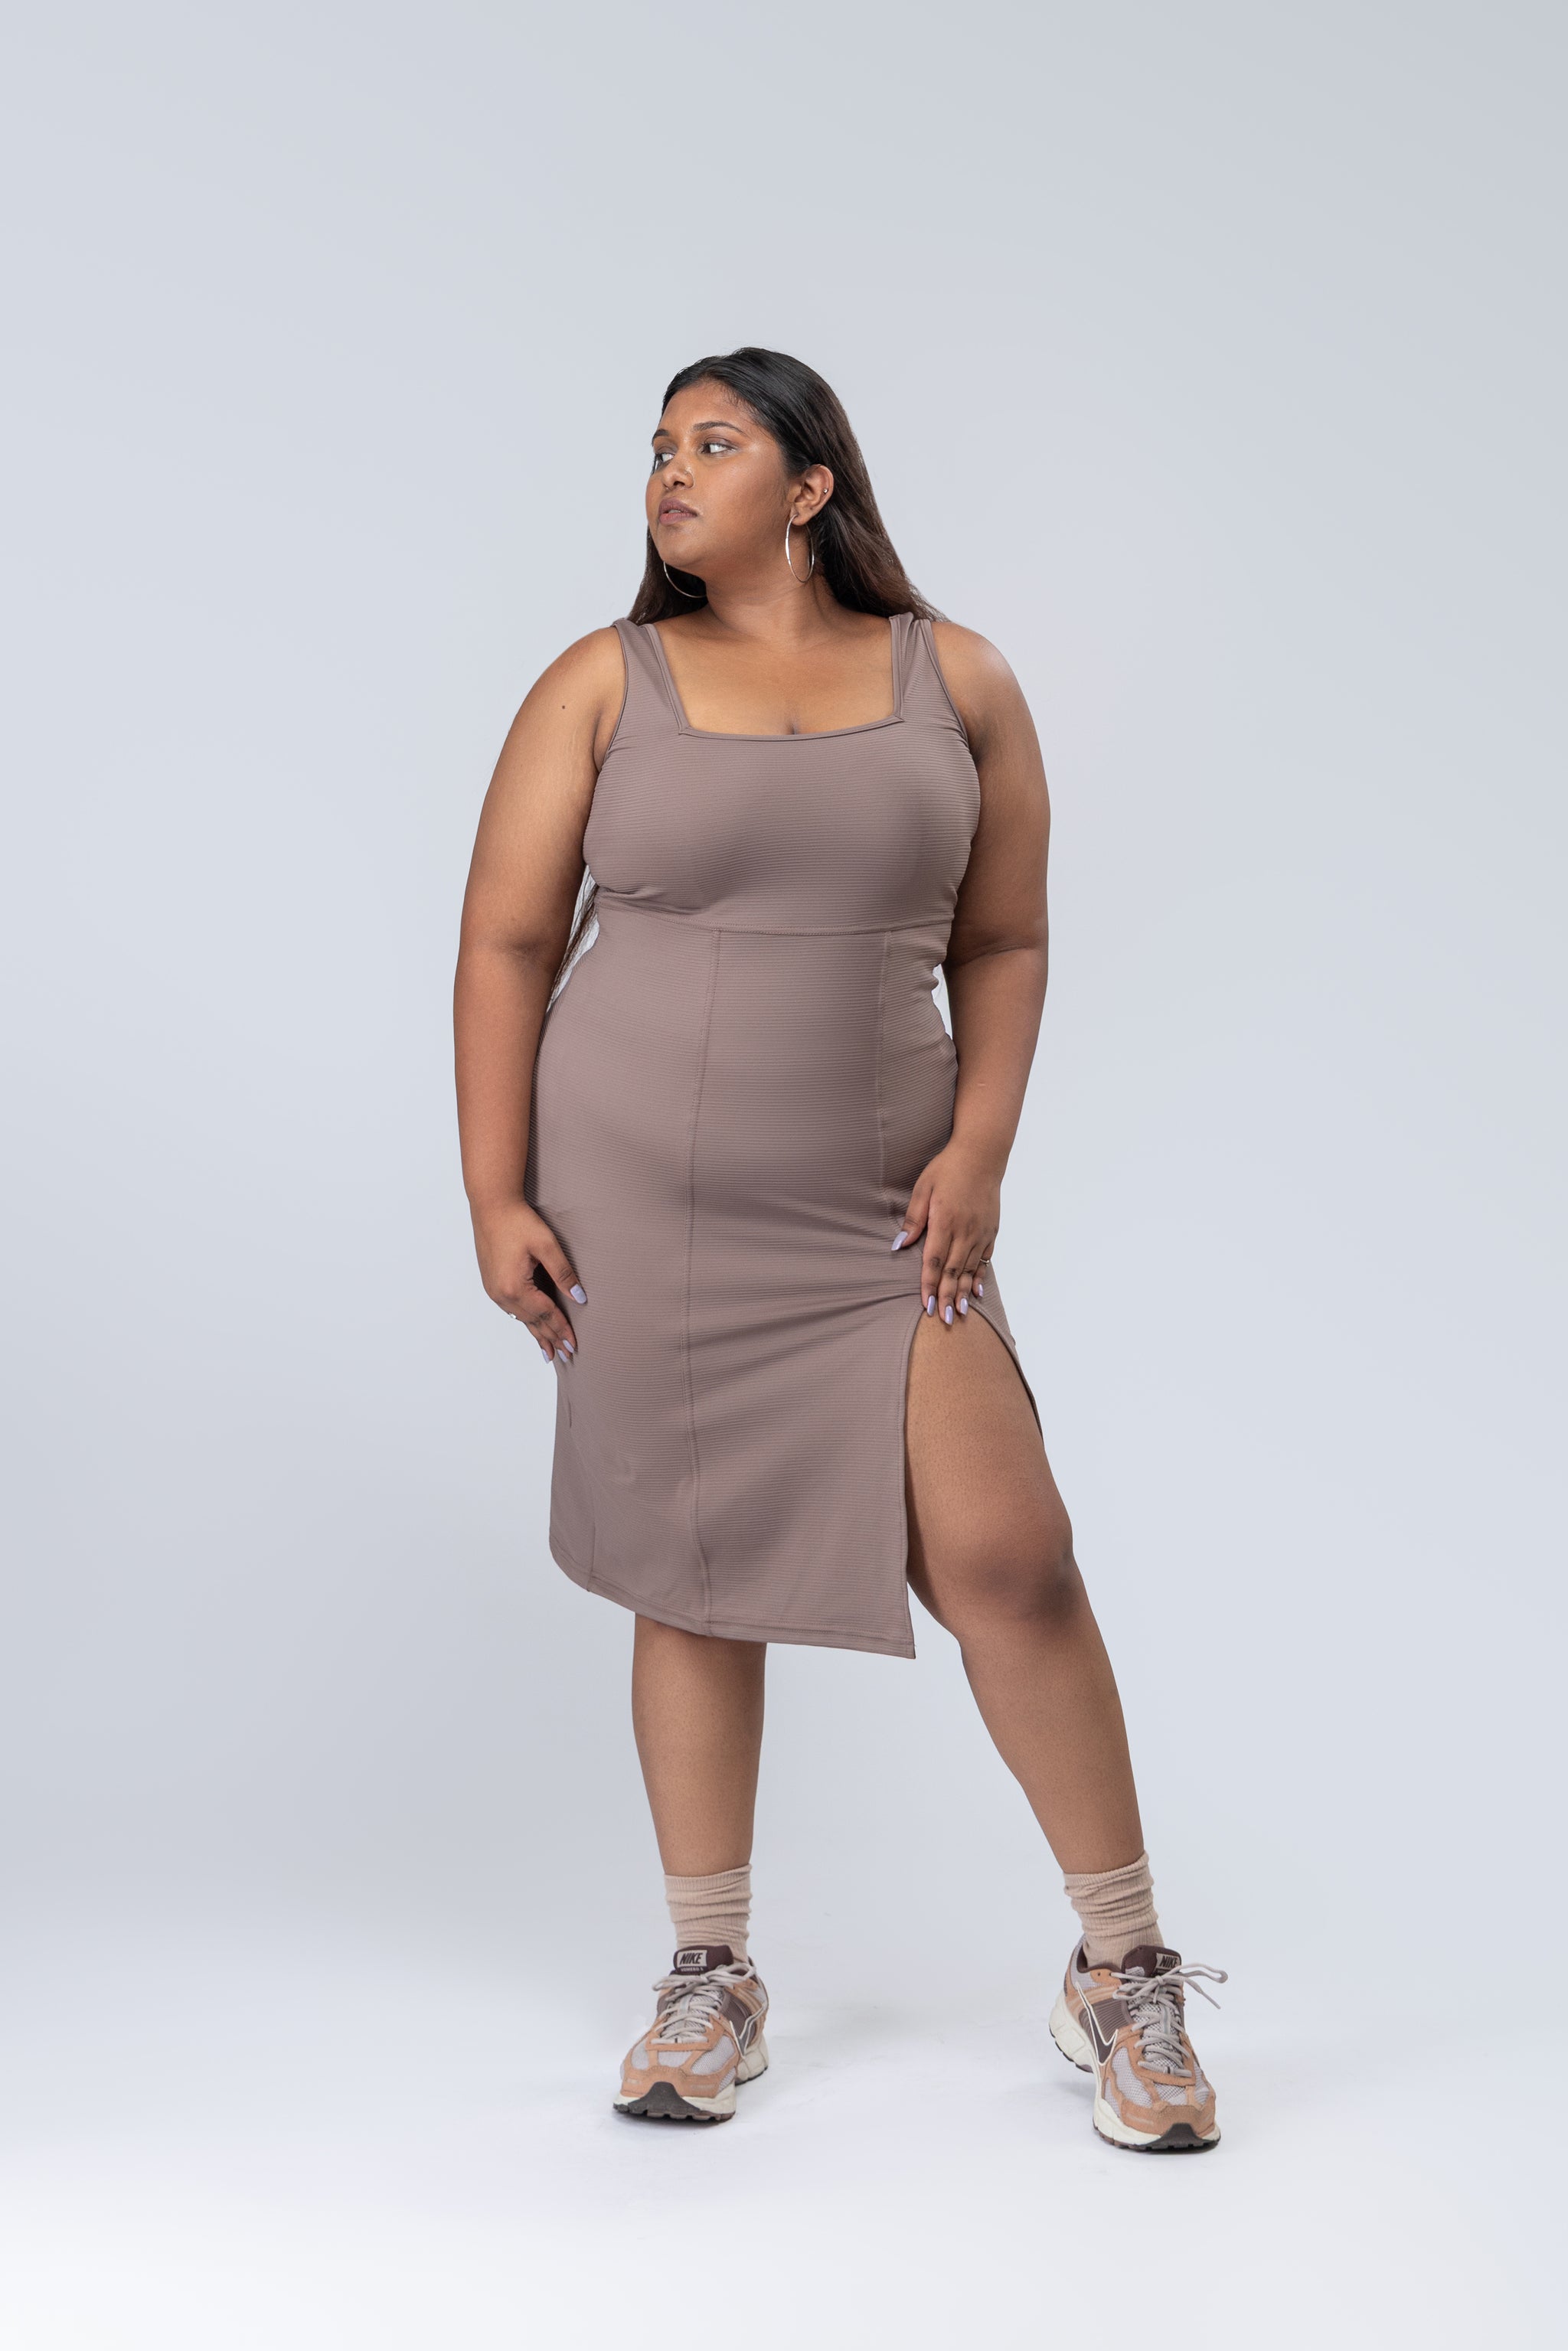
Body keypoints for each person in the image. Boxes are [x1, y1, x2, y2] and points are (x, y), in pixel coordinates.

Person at [454, 347, 1224, 2153]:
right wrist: (496, 1195)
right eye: (659, 446)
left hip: (880, 1209)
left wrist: (981, 1150)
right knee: (690, 1574)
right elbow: (504, 943)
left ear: (808, 487)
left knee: (1009, 1557)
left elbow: (1005, 939)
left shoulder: (959, 680)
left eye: (714, 442)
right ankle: (708, 1973)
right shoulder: (601, 681)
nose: (671, 470)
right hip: (643, 1207)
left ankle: (1122, 1968)